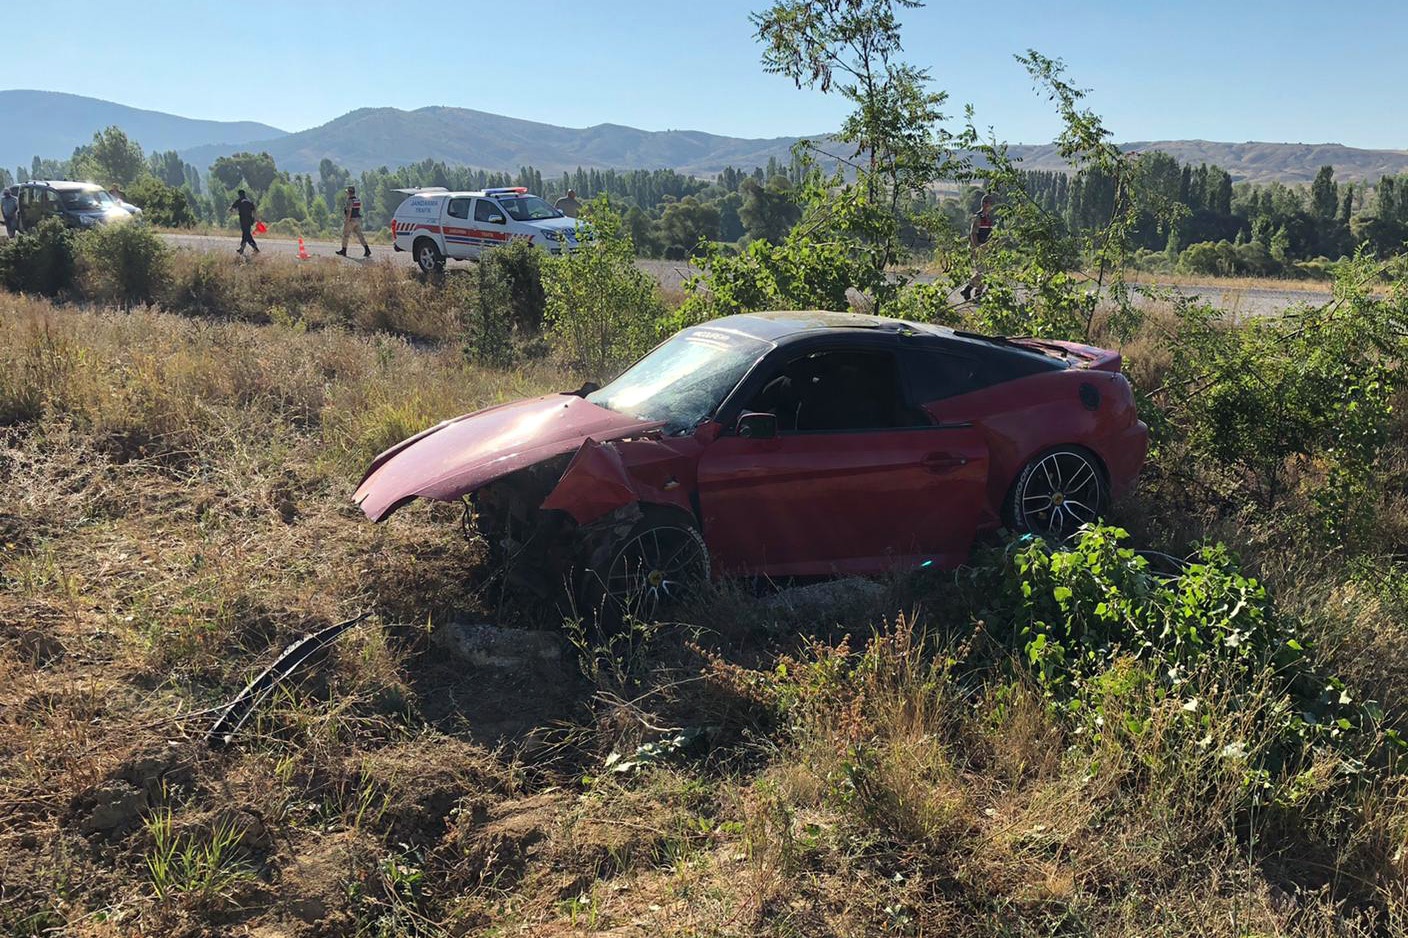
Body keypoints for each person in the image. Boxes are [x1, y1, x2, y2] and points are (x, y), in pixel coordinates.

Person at [962, 193, 997, 301]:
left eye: (992, 203)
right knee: (981, 272)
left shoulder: (988, 218)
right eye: (989, 203)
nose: (991, 206)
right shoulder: (978, 217)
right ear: (984, 203)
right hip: (977, 247)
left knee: (985, 272)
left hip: (985, 248)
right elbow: (973, 234)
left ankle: (977, 295)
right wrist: (977, 248)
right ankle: (967, 289)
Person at [336, 185, 370, 257]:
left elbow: (349, 211)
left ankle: (343, 250)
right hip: (357, 219)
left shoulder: (349, 201)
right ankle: (367, 249)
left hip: (351, 220)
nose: (347, 194)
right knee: (360, 235)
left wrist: (346, 221)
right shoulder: (357, 200)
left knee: (345, 235)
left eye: (347, 192)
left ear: (349, 193)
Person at [228, 189, 259, 255]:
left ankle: (255, 248)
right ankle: (242, 249)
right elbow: (254, 210)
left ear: (239, 195)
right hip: (250, 220)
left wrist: (232, 211)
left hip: (243, 220)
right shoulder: (249, 201)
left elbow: (231, 209)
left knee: (246, 234)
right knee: (246, 233)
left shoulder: (239, 201)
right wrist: (256, 219)